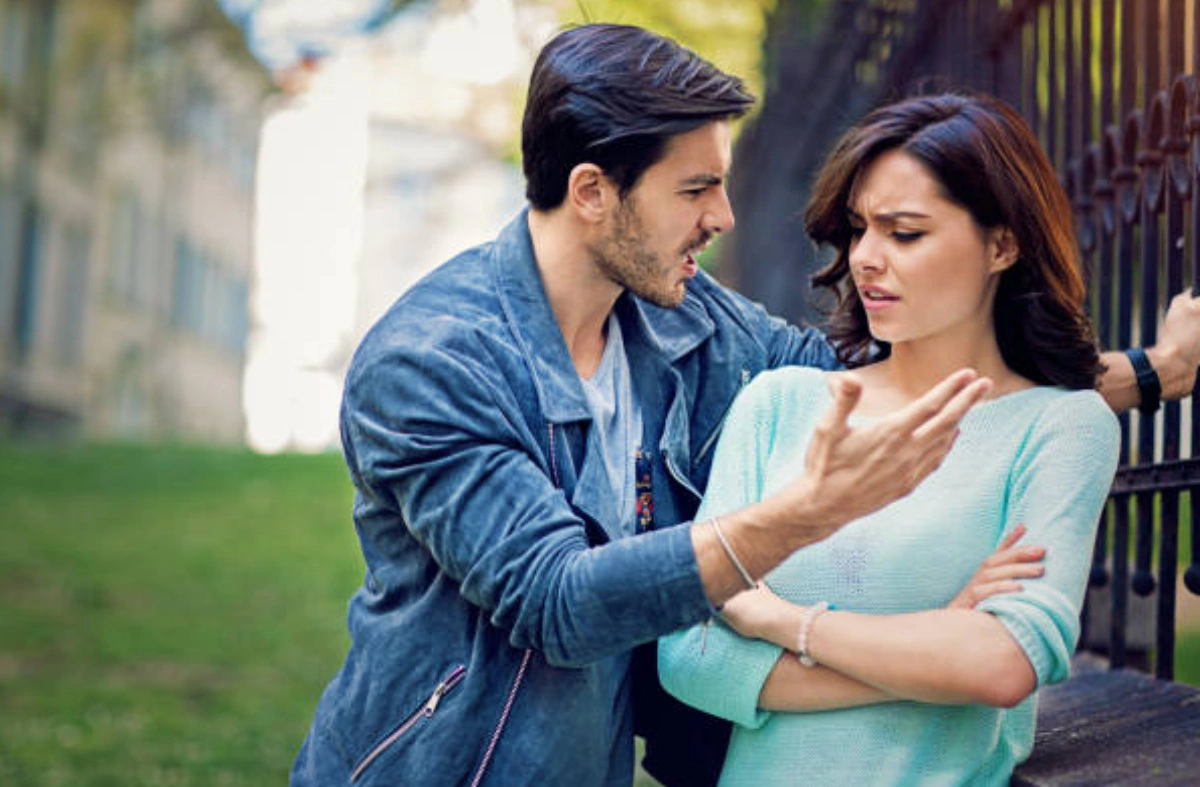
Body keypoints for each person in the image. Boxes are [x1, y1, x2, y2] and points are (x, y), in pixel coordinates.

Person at [292, 24, 1200, 787]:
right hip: (442, 767)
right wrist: (808, 528)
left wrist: (1147, 374)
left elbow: (904, 373)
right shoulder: (432, 361)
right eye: (695, 188)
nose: (724, 215)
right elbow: (558, 603)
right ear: (593, 193)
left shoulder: (684, 319)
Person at [658, 93, 1126, 786]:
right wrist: (937, 634)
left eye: (905, 234)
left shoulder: (1061, 427)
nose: (866, 259)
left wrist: (782, 621)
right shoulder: (778, 404)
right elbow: (689, 656)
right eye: (858, 229)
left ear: (1002, 245)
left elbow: (1002, 663)